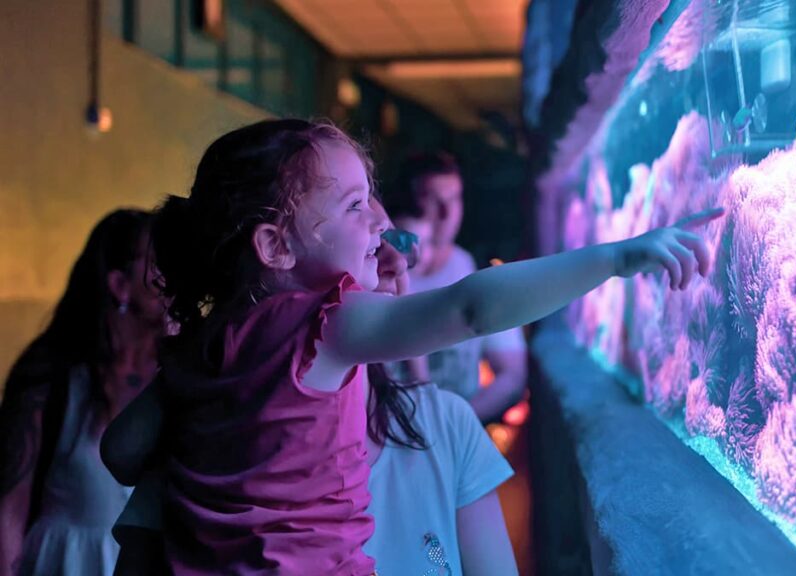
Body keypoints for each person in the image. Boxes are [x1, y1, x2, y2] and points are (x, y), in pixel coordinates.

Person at [100, 118, 721, 574]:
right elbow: (472, 306)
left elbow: (121, 451)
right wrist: (615, 257)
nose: (378, 221)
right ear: (276, 248)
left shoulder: (204, 348)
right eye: (353, 207)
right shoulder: (327, 325)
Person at [110, 197, 519, 575]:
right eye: (374, 243)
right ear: (274, 263)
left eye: (395, 242)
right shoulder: (209, 443)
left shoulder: (445, 424)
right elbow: (118, 454)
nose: (397, 263)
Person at [0, 209, 166, 576]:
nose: (168, 273)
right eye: (155, 262)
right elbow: (10, 504)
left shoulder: (180, 371)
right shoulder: (53, 375)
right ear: (120, 285)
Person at [386, 153, 527, 423]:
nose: (447, 214)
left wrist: (455, 424)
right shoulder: (378, 273)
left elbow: (513, 375)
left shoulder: (477, 271)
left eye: (454, 199)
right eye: (434, 200)